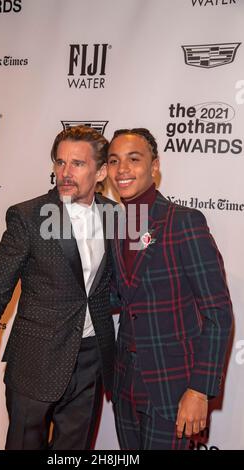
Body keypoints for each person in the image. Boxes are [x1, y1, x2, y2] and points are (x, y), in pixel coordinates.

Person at [0, 125, 117, 450]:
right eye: (60, 162)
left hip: (91, 362)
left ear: (101, 171)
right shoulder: (28, 217)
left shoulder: (116, 215)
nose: (65, 172)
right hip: (35, 363)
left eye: (78, 163)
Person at [107, 128, 233, 450]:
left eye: (134, 159)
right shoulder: (117, 228)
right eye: (114, 161)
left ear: (154, 166)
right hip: (124, 388)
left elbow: (218, 313)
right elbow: (121, 297)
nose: (122, 169)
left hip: (174, 389)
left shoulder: (183, 222)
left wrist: (200, 389)